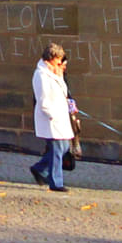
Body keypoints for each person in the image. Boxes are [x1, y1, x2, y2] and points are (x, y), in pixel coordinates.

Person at [28, 43, 76, 191]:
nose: (60, 63)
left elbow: (63, 90)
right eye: (58, 60)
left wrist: (59, 74)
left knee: (64, 147)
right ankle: (56, 182)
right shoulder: (41, 75)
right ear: (51, 58)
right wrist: (52, 115)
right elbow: (43, 99)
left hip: (60, 118)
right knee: (56, 150)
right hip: (51, 119)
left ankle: (40, 168)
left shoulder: (53, 72)